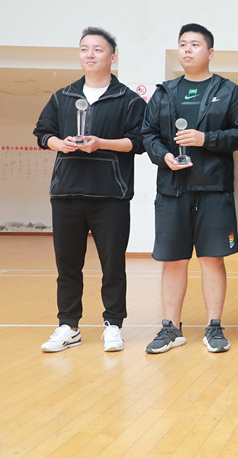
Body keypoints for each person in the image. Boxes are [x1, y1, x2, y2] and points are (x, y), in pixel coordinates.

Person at [34, 27, 146, 352]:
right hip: (66, 193)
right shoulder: (63, 96)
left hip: (111, 195)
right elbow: (43, 134)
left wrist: (101, 143)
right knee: (67, 266)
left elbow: (137, 142)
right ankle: (68, 326)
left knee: (113, 266)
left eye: (97, 49)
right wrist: (61, 144)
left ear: (112, 57)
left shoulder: (128, 99)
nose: (90, 54)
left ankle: (113, 324)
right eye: (84, 49)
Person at [142, 23, 238, 354]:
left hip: (214, 189)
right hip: (172, 189)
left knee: (212, 259)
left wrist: (207, 139)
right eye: (183, 44)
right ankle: (171, 328)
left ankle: (214, 326)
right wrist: (164, 157)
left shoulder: (229, 91)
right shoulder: (164, 92)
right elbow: (148, 134)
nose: (188, 49)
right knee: (173, 260)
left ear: (210, 52)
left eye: (195, 44)